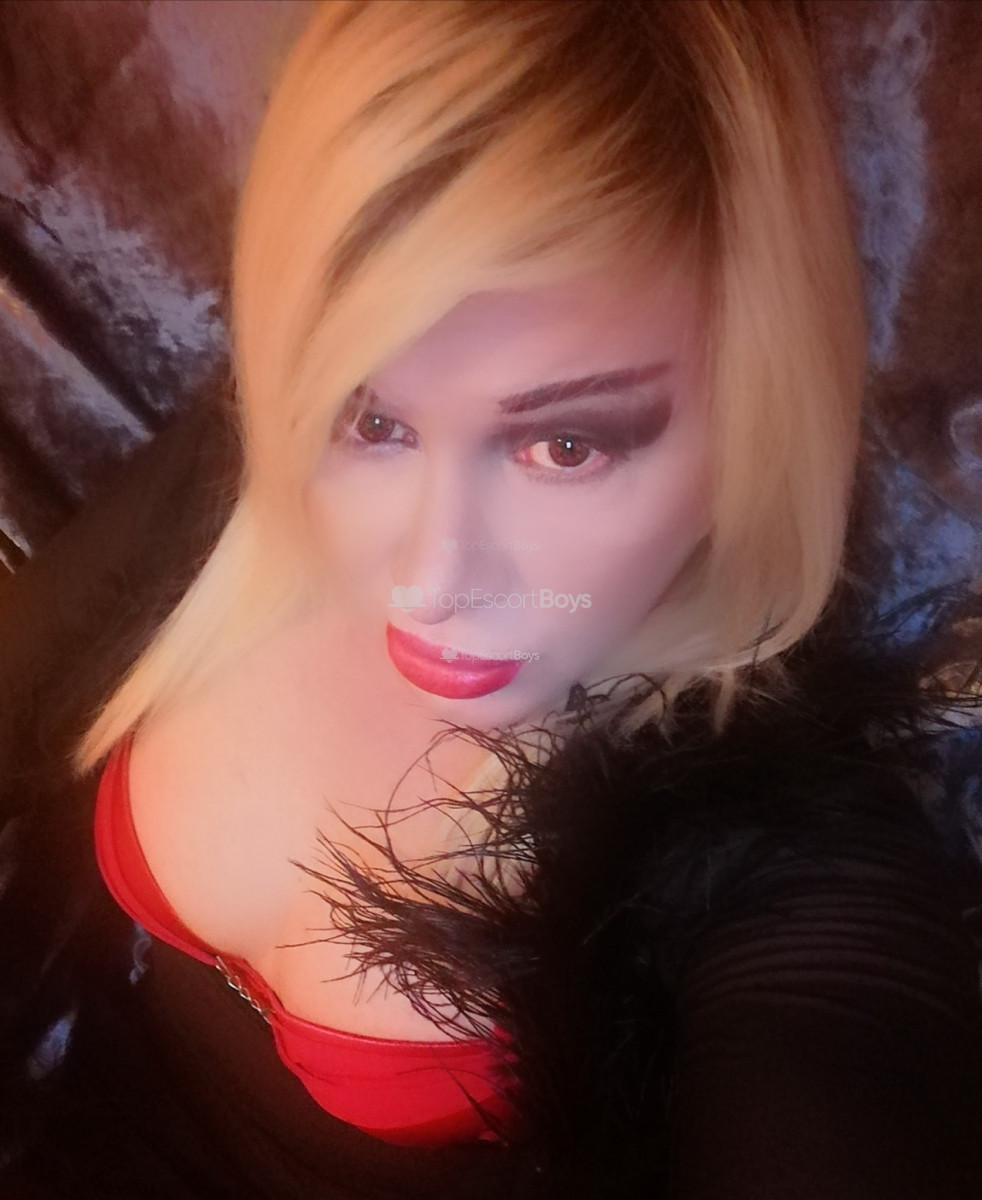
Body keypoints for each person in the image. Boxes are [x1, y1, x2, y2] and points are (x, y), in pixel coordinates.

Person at [3, 1, 982, 1196]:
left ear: (754, 417)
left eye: (564, 445)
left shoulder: (778, 857)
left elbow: (839, 1063)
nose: (429, 574)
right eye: (372, 418)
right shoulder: (242, 474)